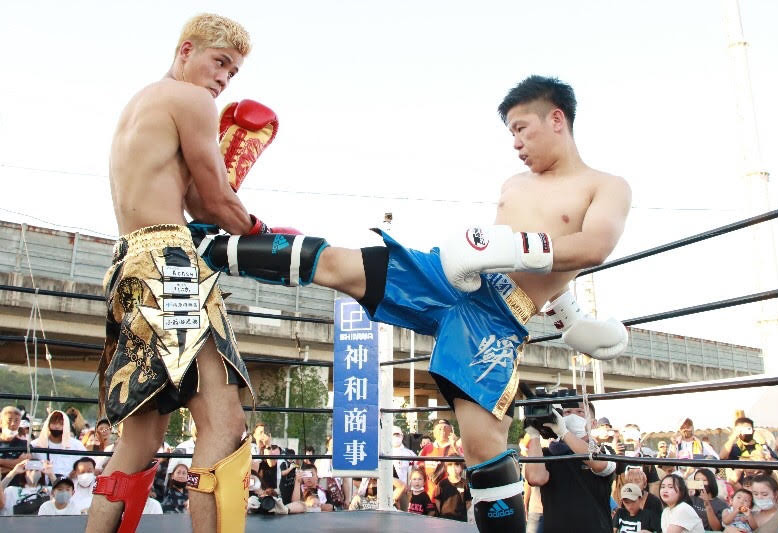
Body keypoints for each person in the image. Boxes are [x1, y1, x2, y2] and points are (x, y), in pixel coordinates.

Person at [189, 74, 630, 532]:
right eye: (511, 132)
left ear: (556, 119)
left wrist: (566, 314)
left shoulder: (605, 185)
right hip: (453, 276)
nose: (515, 142)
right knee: (340, 264)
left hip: (500, 317)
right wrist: (503, 260)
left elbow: (593, 246)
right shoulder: (515, 182)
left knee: (483, 449)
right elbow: (505, 252)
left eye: (522, 129)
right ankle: (212, 249)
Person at [85, 13, 282, 533]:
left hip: (129, 265)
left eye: (233, 72)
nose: (224, 78)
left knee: (141, 439)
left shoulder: (143, 102)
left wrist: (225, 191)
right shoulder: (193, 100)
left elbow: (194, 201)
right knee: (224, 424)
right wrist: (264, 232)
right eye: (220, 62)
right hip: (170, 267)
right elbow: (215, 203)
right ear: (186, 50)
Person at [525, 401, 617, 532]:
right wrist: (534, 434)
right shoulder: (548, 453)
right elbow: (536, 478)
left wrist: (565, 433)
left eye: (580, 412)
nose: (573, 416)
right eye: (567, 412)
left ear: (593, 423)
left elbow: (600, 465)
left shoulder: (604, 450)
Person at [31, 410, 87, 478]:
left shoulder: (77, 445)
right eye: (54, 423)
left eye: (61, 424)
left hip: (69, 483)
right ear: (48, 424)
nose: (57, 426)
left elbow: (88, 464)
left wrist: (78, 471)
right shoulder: (35, 445)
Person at [433, 456, 472, 522]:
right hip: (444, 518)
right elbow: (437, 500)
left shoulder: (465, 483)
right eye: (450, 465)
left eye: (457, 465)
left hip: (460, 519)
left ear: (461, 467)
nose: (453, 468)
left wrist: (461, 513)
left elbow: (468, 501)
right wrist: (442, 513)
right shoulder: (441, 484)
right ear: (447, 468)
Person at [0, 406, 31, 486]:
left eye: (16, 421)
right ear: (1, 422)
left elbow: (24, 465)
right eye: (9, 420)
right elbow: (18, 465)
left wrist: (1, 463)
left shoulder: (25, 445)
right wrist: (15, 465)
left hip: (16, 488)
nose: (13, 424)